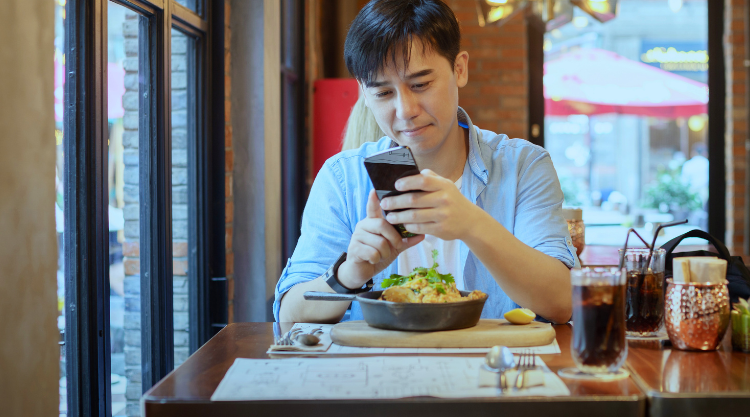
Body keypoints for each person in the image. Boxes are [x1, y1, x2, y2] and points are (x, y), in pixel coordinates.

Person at [275, 0, 579, 325]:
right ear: (364, 93)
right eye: (382, 94)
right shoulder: (343, 177)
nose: (405, 110)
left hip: (490, 372)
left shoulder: (523, 166)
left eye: (420, 85)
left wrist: (472, 224)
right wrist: (349, 273)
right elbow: (289, 316)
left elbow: (561, 302)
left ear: (459, 69)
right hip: (379, 374)